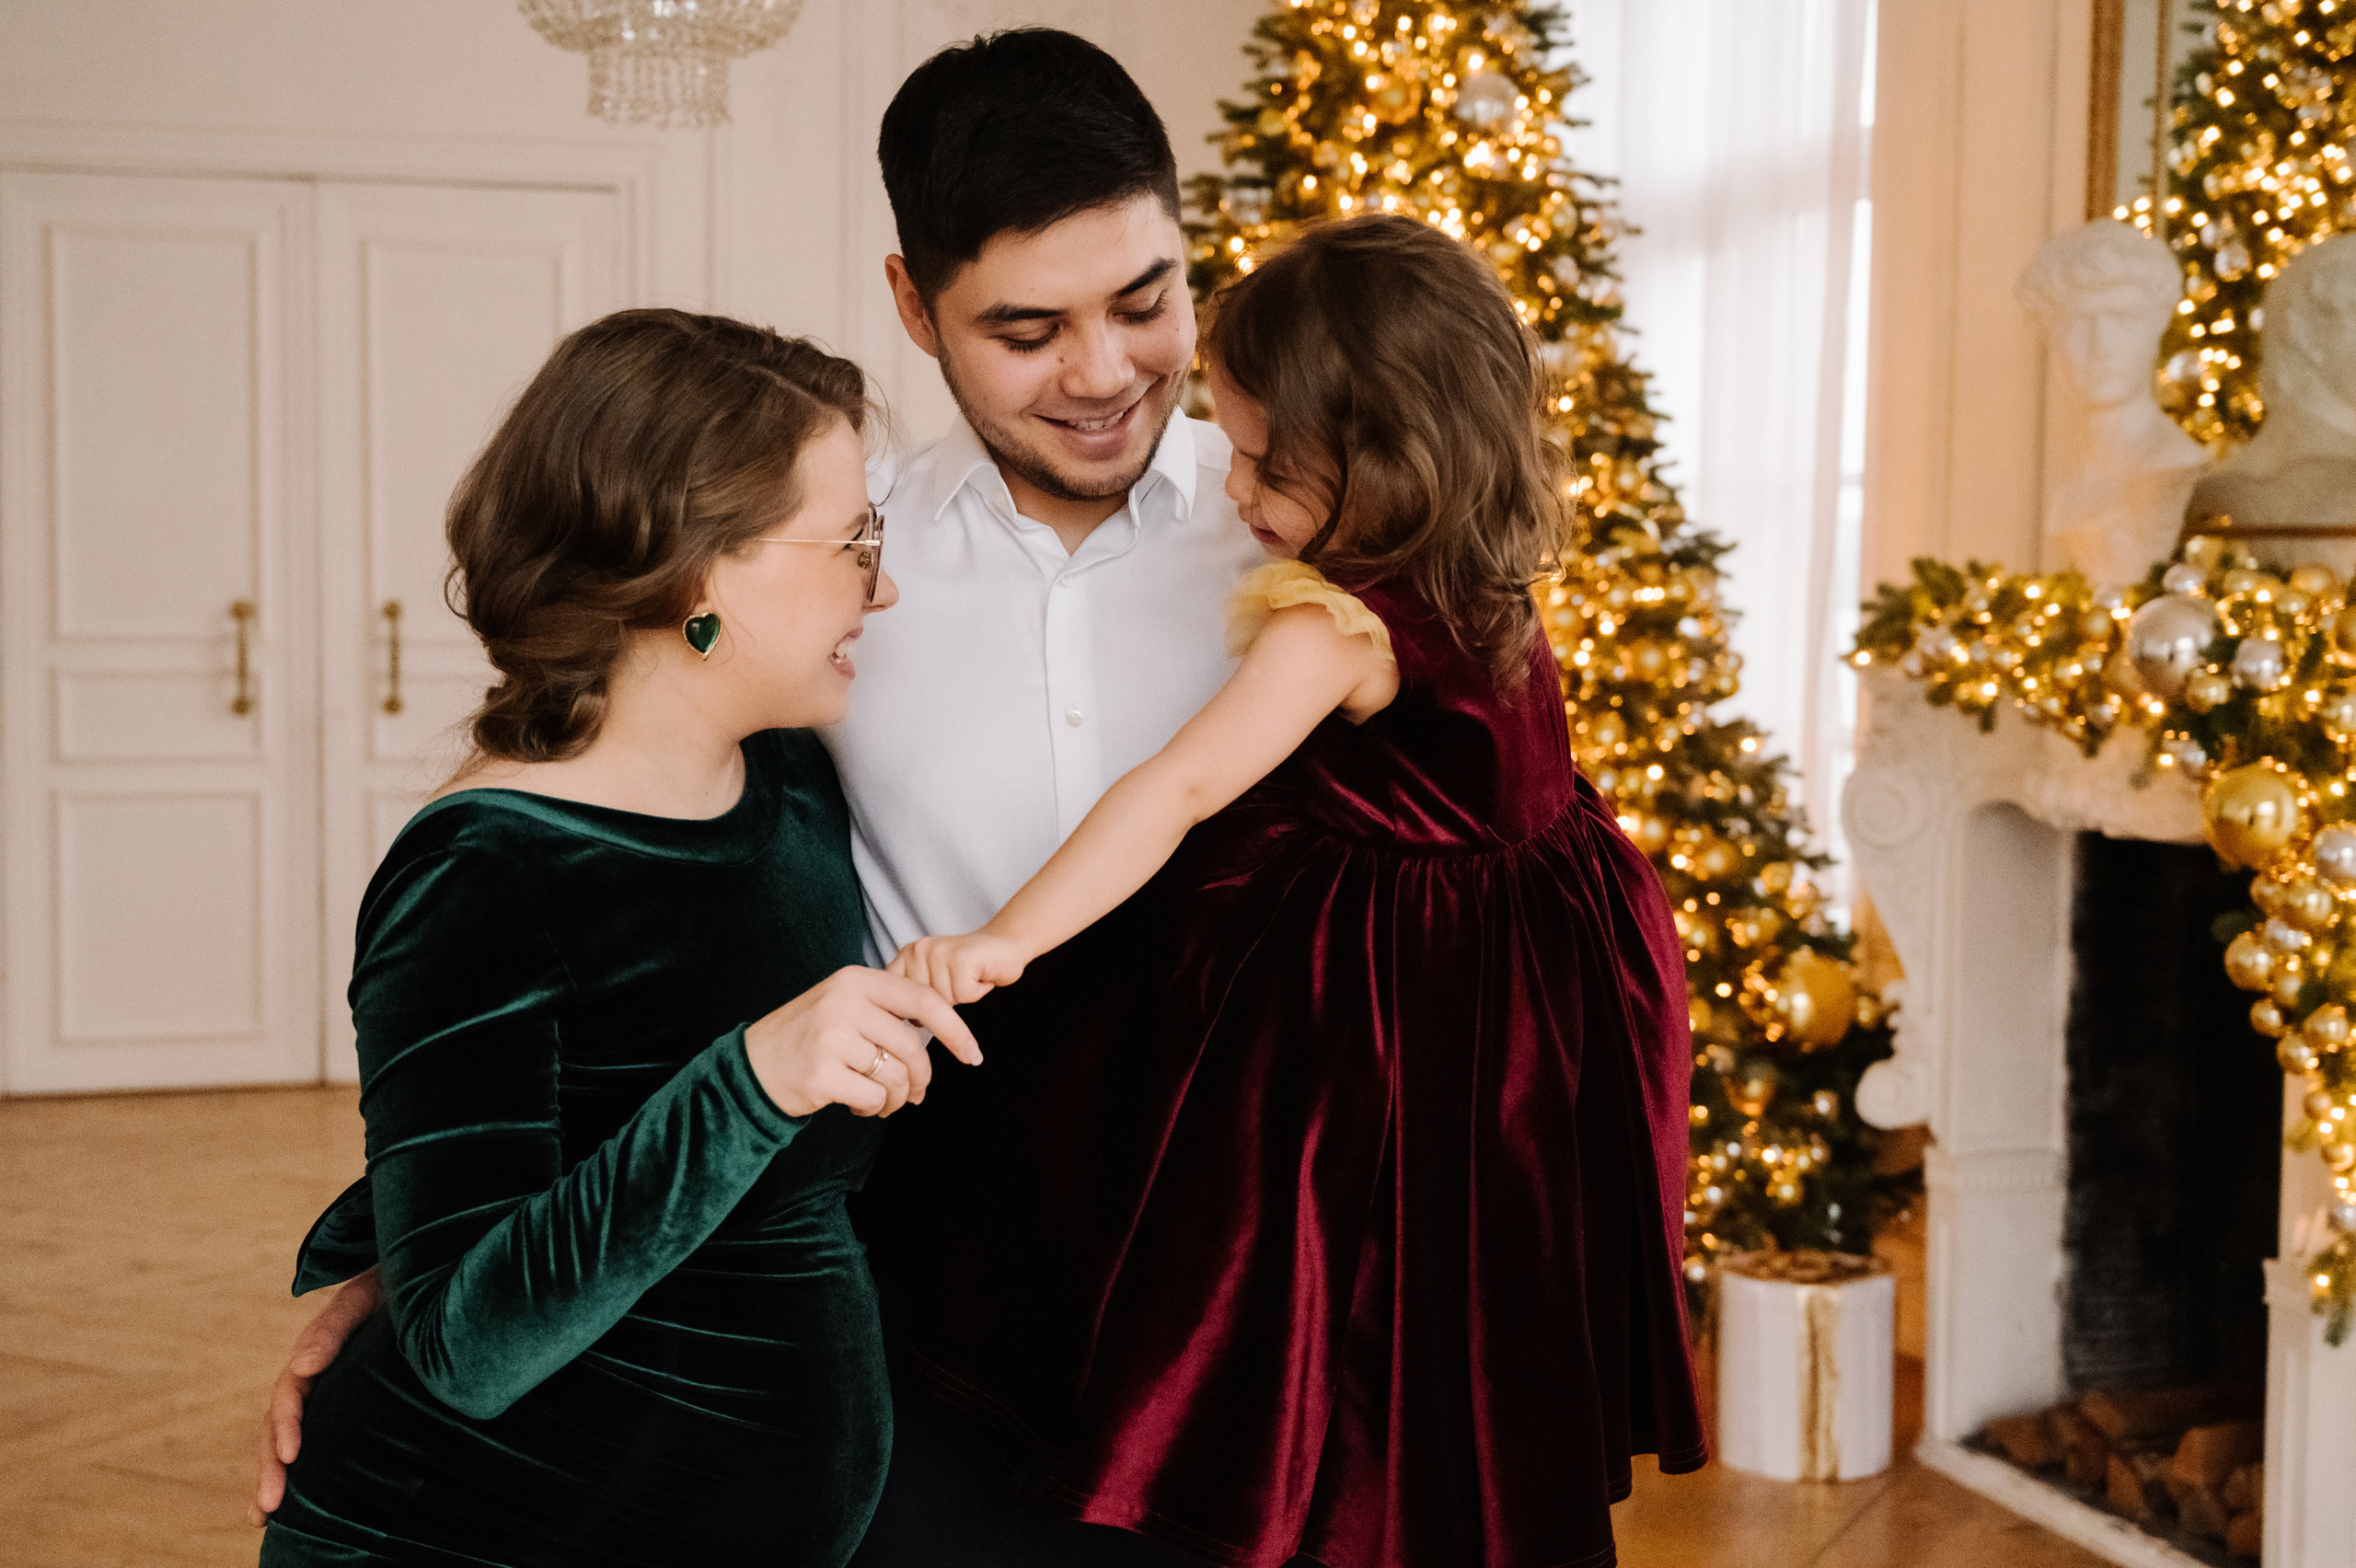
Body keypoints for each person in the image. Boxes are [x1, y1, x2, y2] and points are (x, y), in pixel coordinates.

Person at [877, 213, 1707, 1568]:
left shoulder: (1339, 625)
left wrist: (1006, 938)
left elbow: (1178, 787)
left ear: (1386, 460)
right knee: (1462, 1311)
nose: (1235, 491)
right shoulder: (1490, 578)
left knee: (1296, 1266)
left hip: (1390, 1013)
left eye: (1265, 461)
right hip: (1522, 1005)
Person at [253, 307, 981, 1568]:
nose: (886, 581)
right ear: (696, 572)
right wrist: (751, 1082)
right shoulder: (480, 873)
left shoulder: (791, 779)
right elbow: (468, 1348)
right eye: (853, 540)